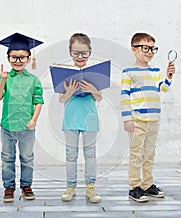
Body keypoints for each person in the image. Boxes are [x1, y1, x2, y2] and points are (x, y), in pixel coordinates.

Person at [121, 32, 175, 202]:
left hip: (154, 120)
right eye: (146, 48)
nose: (150, 52)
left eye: (153, 49)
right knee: (136, 154)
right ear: (134, 49)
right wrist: (127, 119)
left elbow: (164, 89)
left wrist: (168, 77)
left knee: (149, 153)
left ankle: (147, 184)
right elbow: (124, 96)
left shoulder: (155, 71)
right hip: (137, 120)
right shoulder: (128, 72)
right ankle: (134, 186)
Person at [0, 32, 44, 202]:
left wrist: (34, 120)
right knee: (7, 158)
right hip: (7, 126)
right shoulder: (6, 78)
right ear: (8, 58)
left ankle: (26, 186)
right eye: (14, 57)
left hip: (26, 127)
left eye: (22, 57)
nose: (18, 60)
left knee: (27, 158)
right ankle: (8, 187)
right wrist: (2, 80)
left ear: (29, 59)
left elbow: (38, 102)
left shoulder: (34, 80)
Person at [58, 33, 102, 203]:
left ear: (90, 52)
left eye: (84, 53)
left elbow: (99, 98)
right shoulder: (65, 74)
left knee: (90, 154)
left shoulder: (95, 74)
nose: (80, 57)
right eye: (76, 53)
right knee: (71, 155)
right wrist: (68, 92)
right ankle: (70, 187)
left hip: (90, 119)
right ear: (70, 53)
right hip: (70, 120)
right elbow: (61, 99)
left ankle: (90, 187)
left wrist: (92, 89)